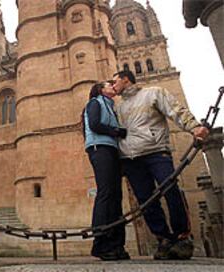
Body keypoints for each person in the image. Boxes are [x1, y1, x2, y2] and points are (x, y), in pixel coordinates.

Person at [112, 70, 209, 260]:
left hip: (156, 152)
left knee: (171, 190)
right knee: (146, 200)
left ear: (126, 80)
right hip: (131, 159)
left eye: (115, 81)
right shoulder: (119, 107)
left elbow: (175, 110)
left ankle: (182, 237)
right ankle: (163, 238)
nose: (113, 85)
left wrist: (194, 127)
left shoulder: (154, 93)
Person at [82, 82, 129, 261]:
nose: (112, 85)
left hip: (111, 149)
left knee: (116, 195)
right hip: (99, 148)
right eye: (109, 84)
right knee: (106, 192)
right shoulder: (94, 102)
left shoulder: (110, 106)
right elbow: (94, 125)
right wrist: (117, 131)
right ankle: (101, 242)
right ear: (101, 90)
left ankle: (117, 244)